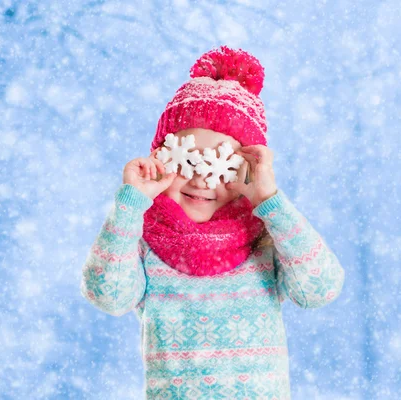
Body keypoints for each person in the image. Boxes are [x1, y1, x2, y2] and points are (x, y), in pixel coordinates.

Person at [80, 46, 345, 399]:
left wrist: (270, 202)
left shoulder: (267, 237)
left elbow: (320, 289)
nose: (203, 181)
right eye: (188, 162)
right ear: (160, 158)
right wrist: (130, 207)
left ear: (248, 172)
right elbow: (108, 295)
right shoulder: (143, 241)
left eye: (221, 167)